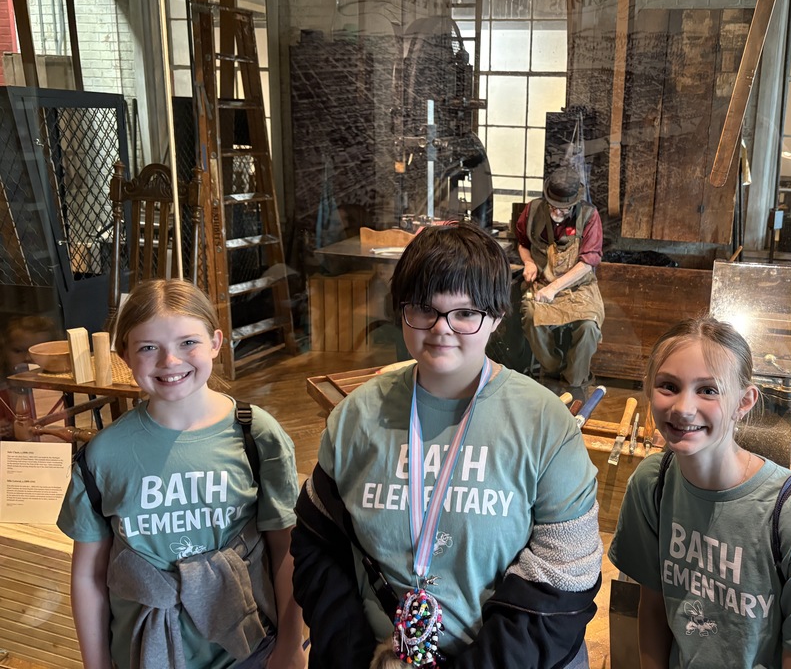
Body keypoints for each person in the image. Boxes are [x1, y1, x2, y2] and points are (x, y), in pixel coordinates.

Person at [291, 221, 602, 669]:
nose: (442, 328)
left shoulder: (546, 425)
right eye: (424, 309)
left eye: (465, 313)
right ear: (402, 311)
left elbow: (564, 574)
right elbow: (317, 543)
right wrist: (354, 657)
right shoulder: (355, 417)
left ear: (495, 317)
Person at [57, 279, 304, 669]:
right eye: (148, 347)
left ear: (216, 343)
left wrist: (291, 647)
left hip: (249, 649)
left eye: (188, 342)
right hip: (141, 653)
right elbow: (89, 575)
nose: (170, 361)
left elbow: (286, 550)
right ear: (125, 356)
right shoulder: (103, 456)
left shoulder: (256, 435)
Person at [609, 316, 791, 669]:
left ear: (744, 402)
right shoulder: (653, 484)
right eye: (668, 385)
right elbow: (655, 607)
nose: (683, 408)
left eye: (708, 390)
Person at [515, 166, 604, 399]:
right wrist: (529, 263)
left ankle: (575, 382)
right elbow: (523, 243)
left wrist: (555, 287)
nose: (557, 211)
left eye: (563, 208)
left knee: (588, 327)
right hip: (542, 281)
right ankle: (552, 371)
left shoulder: (589, 216)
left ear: (574, 202)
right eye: (553, 205)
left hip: (578, 285)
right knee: (532, 316)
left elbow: (589, 261)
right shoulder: (533, 210)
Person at [0, 314, 56, 440]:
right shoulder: (2, 393)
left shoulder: (56, 392)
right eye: (18, 350)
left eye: (37, 351)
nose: (27, 358)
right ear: (4, 351)